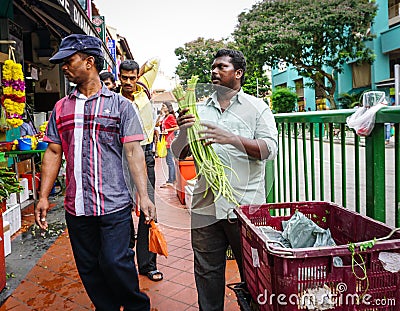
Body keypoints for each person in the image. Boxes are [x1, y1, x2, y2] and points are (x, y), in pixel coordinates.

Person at [34, 34, 155, 311]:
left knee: (115, 262)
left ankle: (137, 307)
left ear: (89, 62)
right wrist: (42, 196)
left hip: (113, 204)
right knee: (89, 269)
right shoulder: (61, 108)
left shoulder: (121, 106)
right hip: (76, 207)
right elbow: (53, 152)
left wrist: (144, 195)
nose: (64, 67)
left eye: (69, 61)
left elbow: (134, 152)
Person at [171, 49, 278, 311]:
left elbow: (270, 149)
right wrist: (185, 131)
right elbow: (179, 152)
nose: (214, 72)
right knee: (207, 270)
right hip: (205, 204)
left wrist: (231, 138)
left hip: (244, 206)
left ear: (238, 73)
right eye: (213, 67)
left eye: (222, 67)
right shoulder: (198, 111)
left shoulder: (257, 108)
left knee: (252, 270)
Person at [118, 58, 163, 282]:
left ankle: (147, 264)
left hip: (145, 152)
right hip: (122, 155)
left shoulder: (143, 87)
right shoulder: (114, 98)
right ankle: (125, 262)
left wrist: (142, 69)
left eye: (132, 77)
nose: (128, 82)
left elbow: (156, 61)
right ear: (119, 77)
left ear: (137, 76)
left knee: (149, 208)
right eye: (124, 77)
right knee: (122, 208)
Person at [158, 102, 179, 188]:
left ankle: (171, 181)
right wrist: (160, 115)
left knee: (170, 161)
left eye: (164, 106)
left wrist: (168, 130)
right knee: (169, 161)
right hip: (166, 141)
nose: (162, 107)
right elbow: (157, 124)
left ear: (168, 107)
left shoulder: (170, 116)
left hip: (170, 141)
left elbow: (177, 127)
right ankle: (171, 179)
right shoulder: (165, 117)